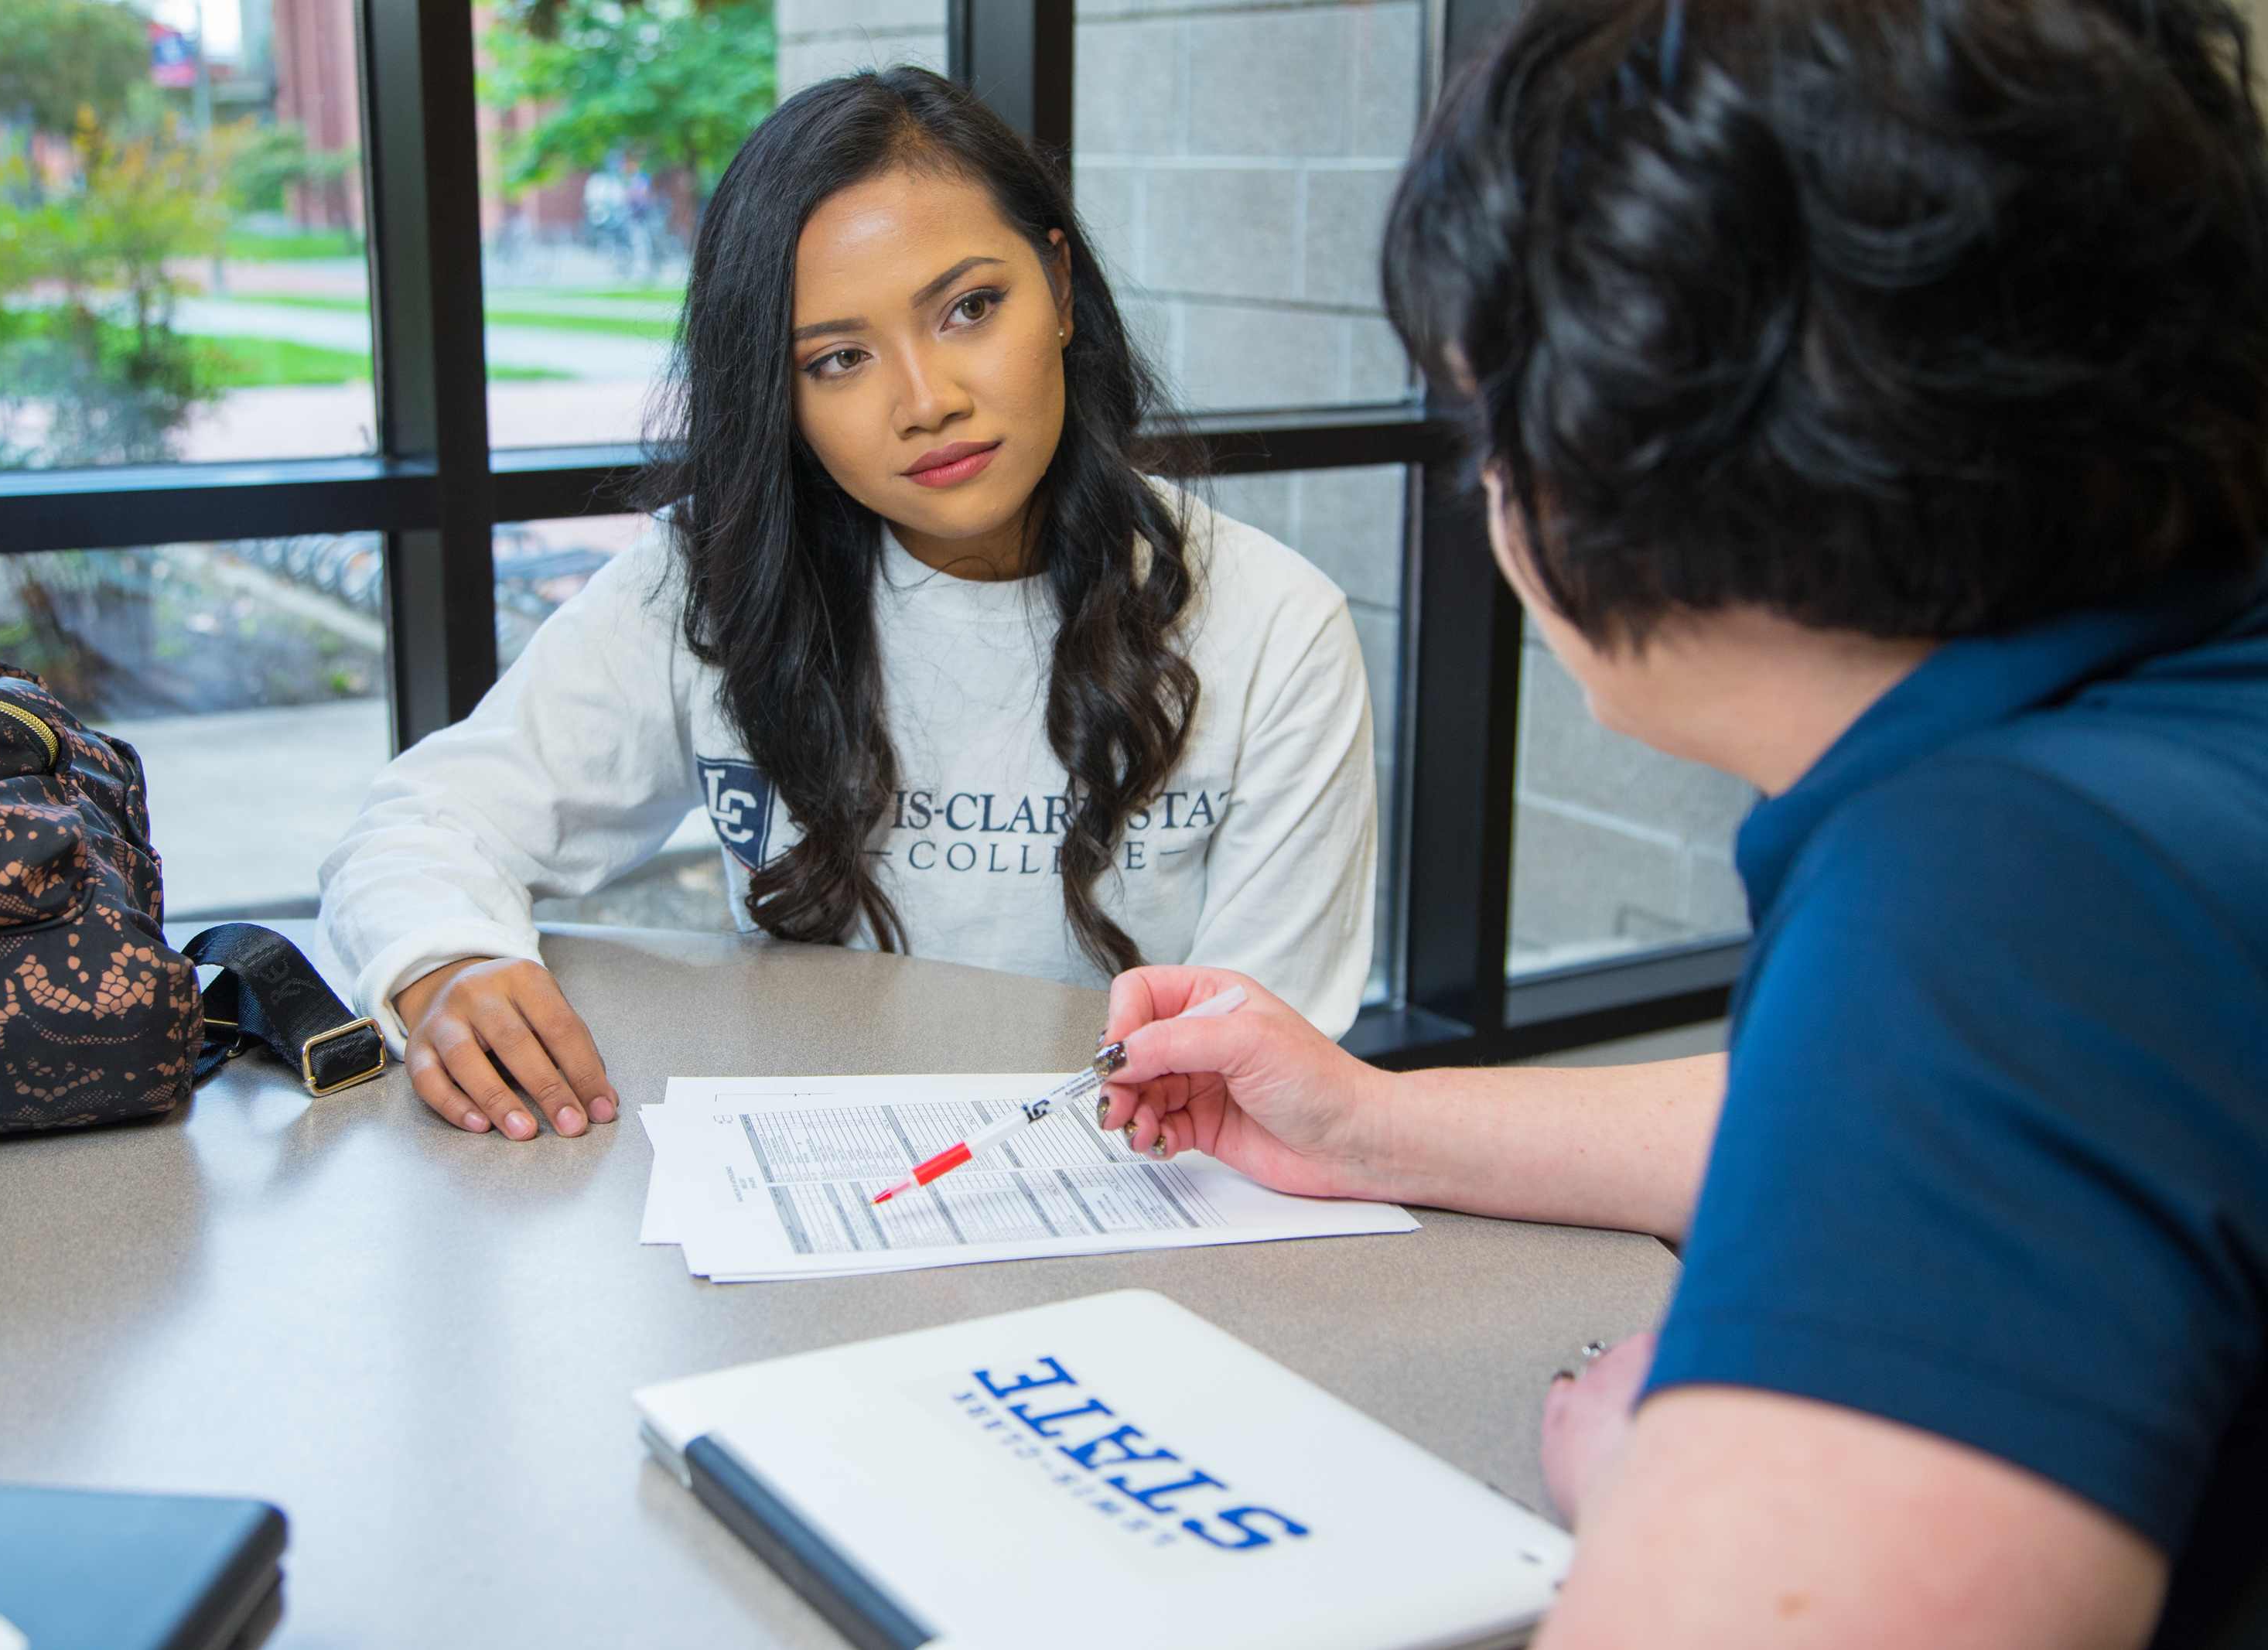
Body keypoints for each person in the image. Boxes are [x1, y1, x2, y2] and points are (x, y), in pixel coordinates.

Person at [1097, 0, 2268, 1644]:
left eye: (1490, 426)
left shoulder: (2009, 895)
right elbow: (1884, 1116)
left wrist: (1660, 1487)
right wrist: (1368, 1125)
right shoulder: (2174, 748)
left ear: (1635, 452)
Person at [319, 68, 1378, 1143]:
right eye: (838, 359)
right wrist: (446, 960)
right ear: (780, 395)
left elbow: (1262, 1075)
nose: (927, 402)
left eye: (970, 308)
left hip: (1142, 1189)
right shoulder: (713, 578)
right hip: (807, 1186)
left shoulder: (1275, 628)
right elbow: (422, 824)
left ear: (1060, 288)